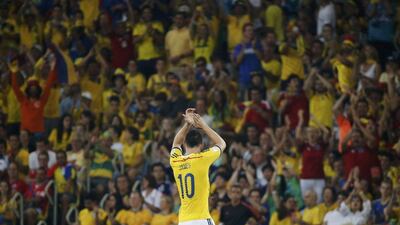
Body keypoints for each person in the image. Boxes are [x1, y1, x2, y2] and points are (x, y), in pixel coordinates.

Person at [170, 108, 226, 225]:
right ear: (201, 144)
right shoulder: (203, 158)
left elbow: (176, 143)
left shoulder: (176, 161)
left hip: (184, 221)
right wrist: (204, 126)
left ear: (185, 144)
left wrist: (187, 124)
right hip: (202, 219)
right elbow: (221, 143)